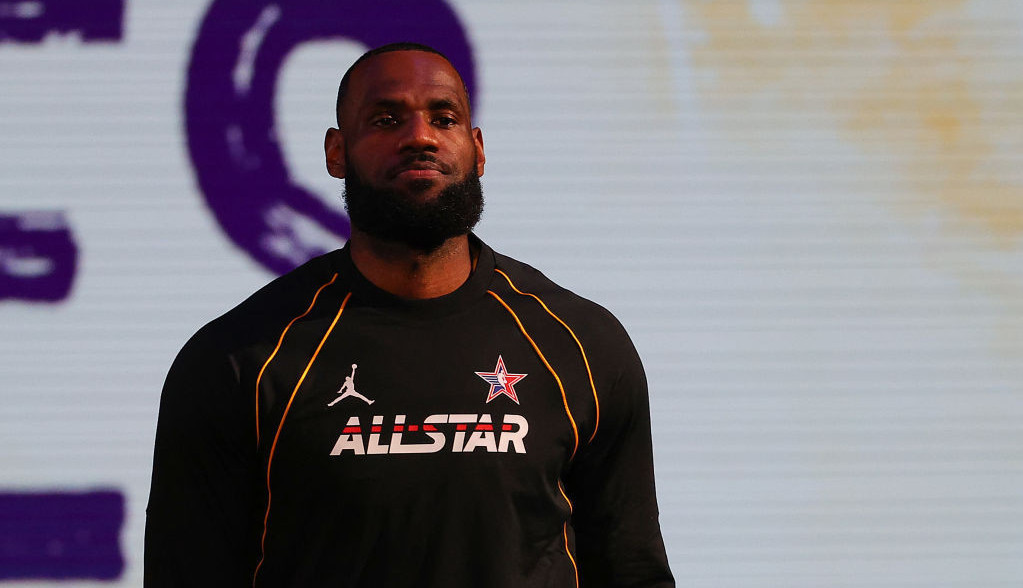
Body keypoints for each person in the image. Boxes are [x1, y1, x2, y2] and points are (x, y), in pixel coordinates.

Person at [145, 42, 674, 588]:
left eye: (444, 118)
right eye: (386, 119)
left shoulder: (581, 344)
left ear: (477, 149)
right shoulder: (239, 360)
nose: (420, 137)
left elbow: (632, 570)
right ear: (336, 152)